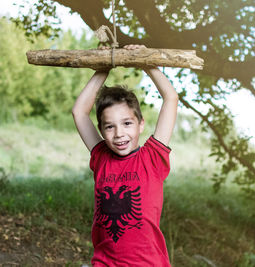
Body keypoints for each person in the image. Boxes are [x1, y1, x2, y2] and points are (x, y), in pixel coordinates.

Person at [72, 44, 178, 266]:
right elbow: (79, 111)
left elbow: (170, 98)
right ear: (101, 130)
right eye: (109, 127)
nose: (119, 134)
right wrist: (104, 65)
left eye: (127, 123)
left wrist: (146, 62)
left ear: (140, 125)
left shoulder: (152, 158)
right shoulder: (101, 157)